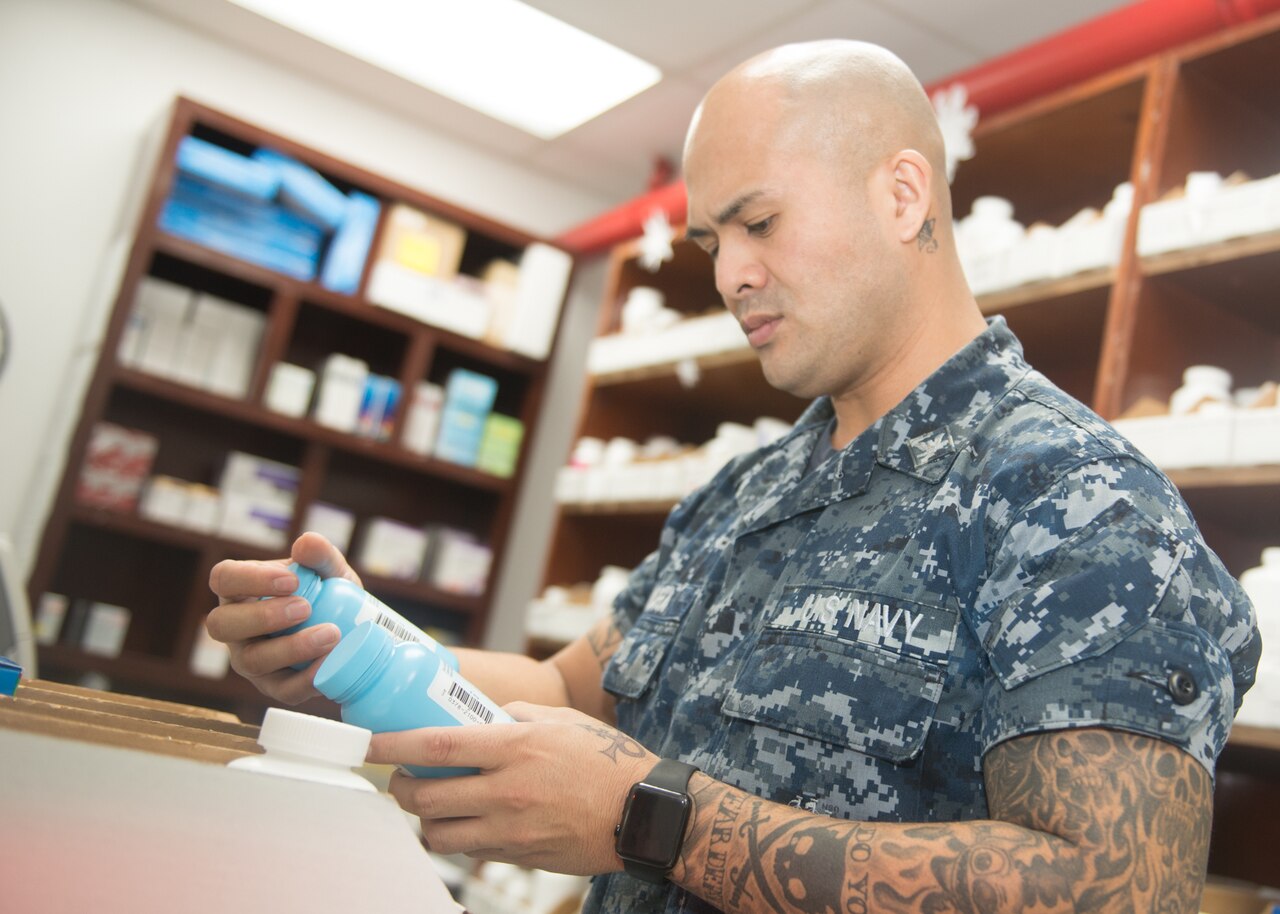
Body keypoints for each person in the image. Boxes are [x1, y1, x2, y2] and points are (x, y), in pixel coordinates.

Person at [208, 39, 1260, 914]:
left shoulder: (1072, 498)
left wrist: (649, 818)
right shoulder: (747, 488)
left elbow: (1114, 891)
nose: (727, 274)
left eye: (758, 222)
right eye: (711, 239)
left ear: (901, 196)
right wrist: (361, 656)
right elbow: (581, 690)